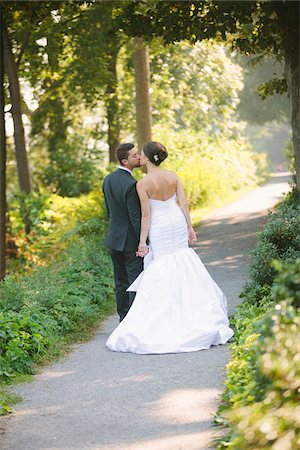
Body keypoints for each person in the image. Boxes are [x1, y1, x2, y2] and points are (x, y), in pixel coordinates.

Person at [106, 141, 234, 354]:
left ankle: (166, 315)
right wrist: (190, 227)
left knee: (163, 264)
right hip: (176, 220)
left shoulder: (143, 183)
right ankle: (194, 312)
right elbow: (184, 203)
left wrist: (141, 242)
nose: (140, 157)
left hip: (160, 226)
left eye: (141, 155)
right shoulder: (173, 176)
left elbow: (146, 215)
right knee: (183, 259)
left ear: (147, 158)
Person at [102, 143, 144, 322]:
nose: (138, 157)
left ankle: (123, 318)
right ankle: (134, 321)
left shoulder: (108, 179)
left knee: (120, 282)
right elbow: (135, 217)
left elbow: (109, 211)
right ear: (125, 161)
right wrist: (143, 241)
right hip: (130, 240)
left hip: (113, 238)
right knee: (135, 281)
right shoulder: (131, 184)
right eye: (135, 155)